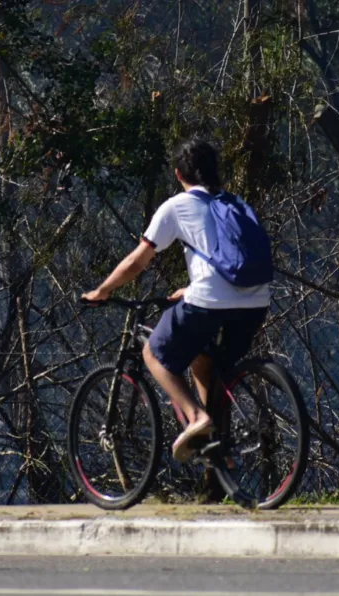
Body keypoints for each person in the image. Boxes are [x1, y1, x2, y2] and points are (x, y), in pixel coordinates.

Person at [81, 138, 271, 462]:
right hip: (256, 301)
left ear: (178, 174)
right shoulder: (237, 203)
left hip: (210, 300)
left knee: (153, 353)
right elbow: (229, 255)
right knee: (204, 362)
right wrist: (196, 286)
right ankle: (218, 447)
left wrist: (103, 290)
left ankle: (198, 419)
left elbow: (137, 262)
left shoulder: (175, 206)